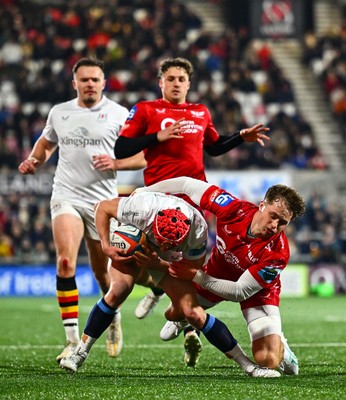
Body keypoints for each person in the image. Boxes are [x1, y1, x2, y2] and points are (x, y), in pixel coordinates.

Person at [60, 190, 280, 378]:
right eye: (162, 239)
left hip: (167, 260)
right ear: (154, 221)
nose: (163, 243)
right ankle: (79, 352)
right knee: (119, 290)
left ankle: (248, 366)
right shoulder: (142, 207)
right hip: (136, 241)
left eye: (170, 242)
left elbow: (188, 271)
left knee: (193, 313)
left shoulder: (198, 232)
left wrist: (160, 263)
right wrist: (106, 246)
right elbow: (102, 208)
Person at [113, 57, 270, 319]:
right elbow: (121, 148)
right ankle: (156, 288)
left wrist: (241, 137)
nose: (176, 83)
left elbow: (215, 146)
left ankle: (187, 324)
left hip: (193, 198)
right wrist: (156, 137)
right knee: (141, 256)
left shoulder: (200, 112)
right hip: (157, 196)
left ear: (189, 84)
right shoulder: (145, 110)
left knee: (187, 263)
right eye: (171, 79)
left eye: (181, 79)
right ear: (160, 82)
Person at [18, 57, 146, 363]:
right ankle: (72, 340)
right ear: (74, 83)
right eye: (84, 79)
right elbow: (46, 144)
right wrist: (35, 160)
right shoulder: (60, 112)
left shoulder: (118, 114)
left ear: (104, 82)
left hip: (102, 204)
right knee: (65, 262)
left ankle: (112, 317)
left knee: (104, 276)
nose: (89, 84)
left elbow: (143, 157)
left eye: (95, 79)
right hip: (66, 195)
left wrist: (116, 163)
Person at [132, 176, 305, 375]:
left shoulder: (278, 253)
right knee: (173, 313)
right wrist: (147, 190)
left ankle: (280, 345)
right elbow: (186, 184)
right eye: (273, 216)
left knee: (267, 360)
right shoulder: (232, 208)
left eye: (283, 222)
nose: (275, 225)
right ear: (262, 205)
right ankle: (183, 320)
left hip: (257, 293)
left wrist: (196, 275)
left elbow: (239, 292)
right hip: (216, 272)